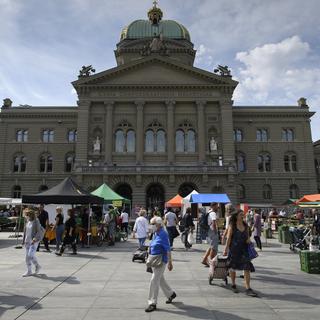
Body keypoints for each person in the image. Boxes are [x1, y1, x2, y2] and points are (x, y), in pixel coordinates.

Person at [223, 210, 258, 297]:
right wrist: (226, 249)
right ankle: (233, 284)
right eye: (240, 215)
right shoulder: (233, 225)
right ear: (236, 216)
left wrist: (249, 240)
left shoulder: (245, 225)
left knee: (246, 267)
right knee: (232, 267)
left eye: (243, 215)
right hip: (234, 249)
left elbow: (247, 236)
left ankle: (248, 288)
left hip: (244, 249)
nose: (242, 216)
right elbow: (229, 238)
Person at [145, 216, 176, 313]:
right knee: (160, 279)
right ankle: (171, 294)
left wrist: (170, 262)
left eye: (153, 224)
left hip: (161, 260)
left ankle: (152, 303)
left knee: (154, 280)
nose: (151, 226)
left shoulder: (163, 234)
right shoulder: (155, 233)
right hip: (154, 260)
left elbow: (168, 249)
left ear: (159, 224)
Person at [22, 208, 44, 277]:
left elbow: (39, 231)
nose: (26, 216)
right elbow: (25, 231)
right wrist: (23, 240)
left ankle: (37, 266)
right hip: (27, 241)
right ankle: (29, 271)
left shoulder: (36, 221)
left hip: (34, 241)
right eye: (25, 215)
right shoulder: (27, 221)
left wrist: (35, 239)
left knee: (30, 255)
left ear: (30, 215)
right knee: (27, 257)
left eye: (27, 215)